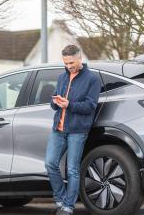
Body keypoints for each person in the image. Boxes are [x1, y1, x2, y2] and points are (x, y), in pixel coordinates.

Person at [45, 45, 101, 215]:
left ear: (79, 59)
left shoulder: (92, 79)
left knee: (72, 170)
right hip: (59, 128)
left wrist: (69, 105)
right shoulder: (62, 77)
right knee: (50, 163)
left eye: (71, 62)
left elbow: (90, 106)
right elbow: (53, 103)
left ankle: (69, 206)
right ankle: (61, 199)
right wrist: (55, 102)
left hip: (77, 130)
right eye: (66, 62)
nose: (68, 66)